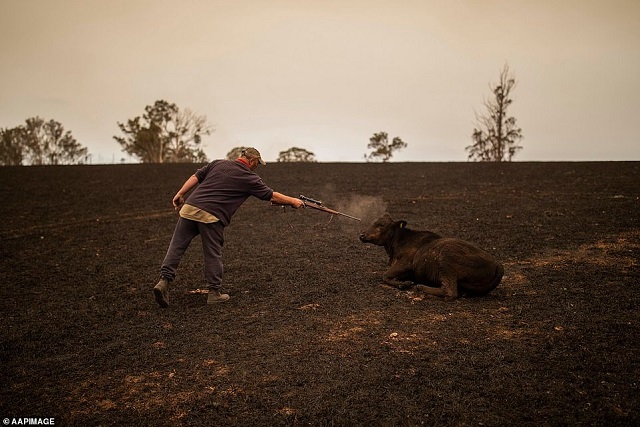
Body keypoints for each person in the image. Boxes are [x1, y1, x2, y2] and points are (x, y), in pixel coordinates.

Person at [153, 147, 304, 307]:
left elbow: (195, 176)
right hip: (211, 216)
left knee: (176, 247)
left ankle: (163, 282)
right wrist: (294, 201)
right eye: (257, 164)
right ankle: (214, 293)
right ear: (252, 161)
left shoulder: (218, 163)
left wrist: (180, 193)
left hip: (189, 208)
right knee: (212, 253)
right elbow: (271, 195)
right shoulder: (249, 177)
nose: (256, 167)